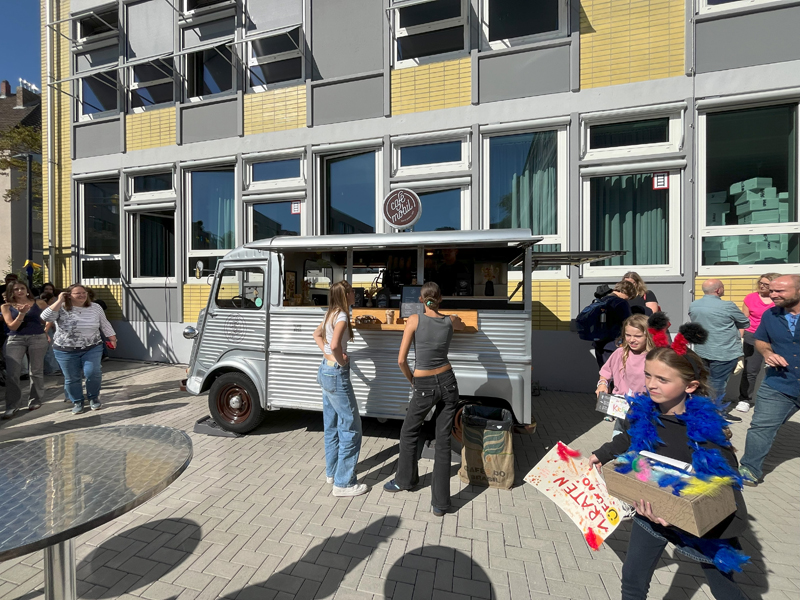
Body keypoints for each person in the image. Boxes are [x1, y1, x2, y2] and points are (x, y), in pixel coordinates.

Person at [590, 323, 749, 600]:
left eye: (663, 379)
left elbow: (727, 495)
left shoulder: (705, 434)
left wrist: (680, 516)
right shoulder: (644, 412)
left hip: (700, 524)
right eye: (648, 375)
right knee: (632, 579)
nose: (651, 384)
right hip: (650, 510)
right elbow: (628, 437)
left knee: (724, 589)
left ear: (691, 386)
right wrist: (600, 455)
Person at [384, 282, 465, 516]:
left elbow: (401, 360)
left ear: (421, 300)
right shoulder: (450, 320)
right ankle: (441, 504)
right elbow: (461, 324)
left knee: (409, 432)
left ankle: (405, 481)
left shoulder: (414, 320)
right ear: (441, 299)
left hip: (424, 383)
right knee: (443, 441)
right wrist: (454, 317)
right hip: (448, 382)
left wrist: (412, 380)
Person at [739, 275, 800, 487]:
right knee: (760, 427)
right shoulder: (770, 314)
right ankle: (749, 469)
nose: (772, 295)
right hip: (779, 383)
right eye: (771, 290)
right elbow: (761, 339)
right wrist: (767, 353)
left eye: (779, 291)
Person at [312, 281, 368, 498]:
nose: (355, 293)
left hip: (324, 370)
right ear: (346, 295)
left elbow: (316, 335)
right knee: (351, 428)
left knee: (331, 425)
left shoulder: (331, 313)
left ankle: (332, 472)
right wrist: (340, 360)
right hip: (335, 374)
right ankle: (343, 483)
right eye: (352, 291)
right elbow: (335, 345)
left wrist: (328, 355)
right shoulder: (342, 316)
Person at [41, 285, 117, 415]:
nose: (82, 295)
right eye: (78, 293)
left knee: (93, 372)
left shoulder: (95, 307)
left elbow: (104, 323)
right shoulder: (61, 307)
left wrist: (112, 338)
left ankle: (93, 398)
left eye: (84, 292)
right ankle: (77, 402)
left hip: (92, 346)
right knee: (72, 377)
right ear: (69, 295)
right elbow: (45, 317)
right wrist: (59, 301)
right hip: (65, 349)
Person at [688, 279, 750, 422]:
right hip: (724, 351)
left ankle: (700, 410)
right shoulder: (727, 306)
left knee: (703, 381)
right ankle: (716, 414)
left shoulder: (694, 304)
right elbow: (745, 322)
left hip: (701, 350)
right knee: (718, 384)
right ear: (718, 290)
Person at [1, 281, 50, 418]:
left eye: (22, 288)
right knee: (12, 373)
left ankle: (35, 400)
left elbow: (50, 317)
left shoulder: (39, 303)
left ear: (27, 290)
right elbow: (12, 326)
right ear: (11, 292)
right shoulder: (6, 306)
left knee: (36, 371)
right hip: (15, 339)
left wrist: (46, 330)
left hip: (37, 337)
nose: (20, 291)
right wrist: (21, 314)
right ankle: (12, 405)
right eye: (16, 289)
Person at [596, 313, 655, 424]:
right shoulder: (620, 353)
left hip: (645, 409)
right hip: (621, 407)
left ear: (648, 335)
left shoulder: (655, 357)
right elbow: (605, 373)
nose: (632, 340)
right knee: (619, 434)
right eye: (628, 335)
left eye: (637, 336)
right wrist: (602, 384)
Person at [736, 273, 780, 413]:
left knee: (775, 368)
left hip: (774, 337)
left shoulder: (779, 298)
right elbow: (744, 319)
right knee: (750, 370)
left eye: (766, 284)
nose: (762, 286)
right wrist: (739, 338)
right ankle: (744, 399)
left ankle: (775, 400)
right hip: (752, 336)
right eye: (761, 283)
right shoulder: (751, 298)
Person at [592, 280, 636, 368]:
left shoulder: (599, 301)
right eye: (629, 297)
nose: (628, 299)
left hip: (599, 343)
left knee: (603, 372)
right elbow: (628, 323)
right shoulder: (621, 303)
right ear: (626, 292)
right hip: (614, 344)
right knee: (616, 372)